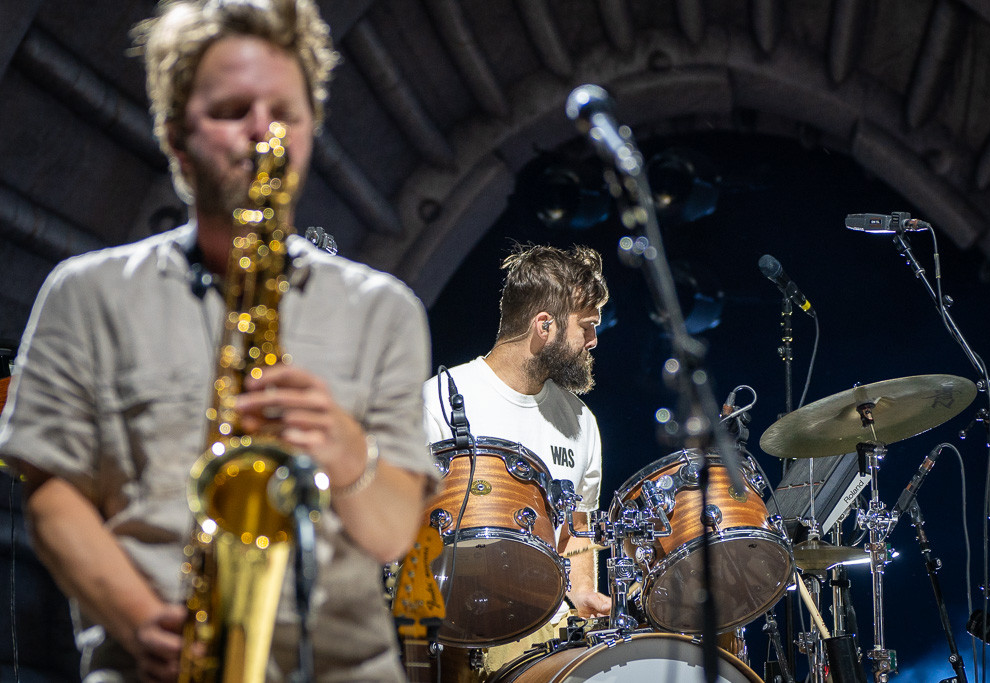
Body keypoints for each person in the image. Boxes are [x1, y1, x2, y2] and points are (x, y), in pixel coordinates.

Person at [0, 0, 436, 681]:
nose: (264, 133)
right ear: (176, 138)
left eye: (285, 114)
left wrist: (346, 449)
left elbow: (390, 532)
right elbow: (52, 494)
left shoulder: (385, 310)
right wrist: (139, 618)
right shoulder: (86, 294)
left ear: (312, 130)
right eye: (233, 110)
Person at [422, 244, 613, 674]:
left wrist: (582, 592)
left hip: (543, 634)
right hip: (444, 624)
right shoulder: (436, 399)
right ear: (544, 325)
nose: (594, 340)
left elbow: (577, 530)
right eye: (587, 326)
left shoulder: (581, 421)